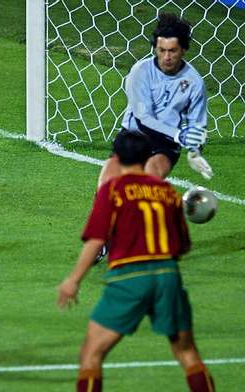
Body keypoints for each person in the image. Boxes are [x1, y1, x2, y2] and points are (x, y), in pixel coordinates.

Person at [57, 131, 215, 392]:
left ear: (116, 158)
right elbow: (182, 246)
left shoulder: (113, 190)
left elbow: (96, 241)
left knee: (91, 355)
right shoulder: (168, 193)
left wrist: (73, 281)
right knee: (187, 353)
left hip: (129, 279)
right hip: (168, 276)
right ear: (147, 158)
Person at [98, 12, 212, 188]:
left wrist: (194, 152)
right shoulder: (140, 72)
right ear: (155, 48)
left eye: (172, 51)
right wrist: (179, 135)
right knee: (107, 187)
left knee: (148, 180)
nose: (166, 57)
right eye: (162, 50)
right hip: (133, 136)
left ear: (184, 50)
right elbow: (143, 118)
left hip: (165, 144)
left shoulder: (194, 82)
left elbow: (197, 126)